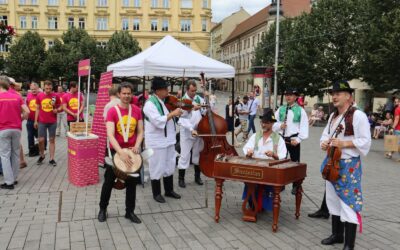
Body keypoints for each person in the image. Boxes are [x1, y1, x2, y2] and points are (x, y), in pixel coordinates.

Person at [318, 80, 371, 250]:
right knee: (332, 199)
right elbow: (324, 136)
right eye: (332, 93)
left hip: (348, 165)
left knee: (349, 202)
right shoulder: (333, 116)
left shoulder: (358, 115)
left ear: (348, 96)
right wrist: (324, 144)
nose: (334, 96)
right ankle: (337, 235)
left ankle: (349, 244)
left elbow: (365, 141)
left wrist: (344, 144)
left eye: (338, 93)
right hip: (332, 162)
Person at [98, 82, 144, 224]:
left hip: (131, 152)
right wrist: (120, 152)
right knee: (109, 181)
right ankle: (102, 209)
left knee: (131, 183)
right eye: (124, 93)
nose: (126, 96)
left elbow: (141, 131)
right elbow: (110, 134)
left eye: (129, 93)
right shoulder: (112, 111)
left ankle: (129, 212)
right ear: (119, 94)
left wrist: (137, 145)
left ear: (132, 94)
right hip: (115, 152)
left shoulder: (136, 110)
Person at [143, 77, 182, 203]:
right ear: (158, 90)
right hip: (157, 142)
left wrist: (177, 111)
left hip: (168, 140)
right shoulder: (150, 104)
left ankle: (169, 190)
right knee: (157, 166)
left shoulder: (163, 102)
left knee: (170, 164)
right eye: (165, 89)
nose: (168, 91)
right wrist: (173, 113)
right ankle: (156, 193)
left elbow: (170, 116)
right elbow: (158, 121)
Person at [242, 108, 287, 211]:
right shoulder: (256, 136)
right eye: (262, 122)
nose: (263, 125)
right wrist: (249, 153)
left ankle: (263, 203)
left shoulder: (279, 138)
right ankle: (252, 200)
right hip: (256, 168)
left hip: (270, 171)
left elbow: (282, 156)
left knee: (267, 183)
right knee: (248, 179)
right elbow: (247, 148)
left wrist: (274, 155)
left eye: (266, 123)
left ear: (272, 124)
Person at [273, 88, 309, 194]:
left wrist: (298, 139)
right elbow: (273, 123)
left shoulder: (300, 110)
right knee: (280, 161)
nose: (288, 97)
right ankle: (281, 183)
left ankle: (296, 185)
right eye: (287, 95)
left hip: (293, 139)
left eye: (291, 95)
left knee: (295, 162)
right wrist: (280, 125)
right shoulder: (281, 109)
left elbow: (304, 127)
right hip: (281, 139)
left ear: (296, 97)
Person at [0, 76, 30, 189]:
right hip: (16, 128)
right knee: (15, 154)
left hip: (3, 129)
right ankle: (15, 178)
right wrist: (20, 119)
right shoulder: (16, 97)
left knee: (5, 155)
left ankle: (9, 182)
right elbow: (27, 111)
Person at [177, 79, 204, 188]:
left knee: (197, 153)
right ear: (187, 90)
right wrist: (191, 129)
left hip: (199, 130)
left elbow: (206, 107)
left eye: (195, 91)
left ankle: (197, 176)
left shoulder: (198, 98)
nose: (194, 93)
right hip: (187, 132)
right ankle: (181, 179)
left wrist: (207, 104)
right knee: (184, 155)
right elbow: (182, 119)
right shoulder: (182, 101)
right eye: (192, 91)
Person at [34, 80, 62, 166]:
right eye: (46, 88)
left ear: (52, 87)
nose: (48, 90)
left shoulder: (55, 96)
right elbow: (38, 108)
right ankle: (42, 155)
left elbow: (61, 106)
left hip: (52, 122)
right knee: (41, 140)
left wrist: (57, 110)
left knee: (52, 140)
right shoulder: (39, 96)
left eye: (50, 88)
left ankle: (52, 158)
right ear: (44, 87)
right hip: (42, 121)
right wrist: (35, 120)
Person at [26, 82, 41, 157]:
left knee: (39, 136)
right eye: (32, 89)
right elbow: (26, 106)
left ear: (38, 89)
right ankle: (31, 150)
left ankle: (41, 149)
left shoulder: (41, 96)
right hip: (30, 119)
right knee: (30, 135)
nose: (33, 90)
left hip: (39, 120)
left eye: (35, 89)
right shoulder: (28, 96)